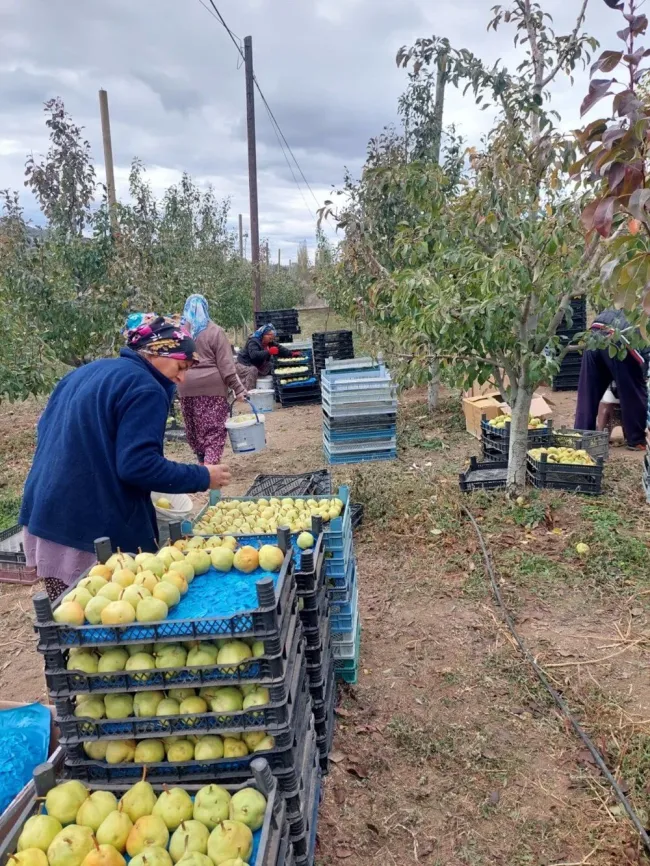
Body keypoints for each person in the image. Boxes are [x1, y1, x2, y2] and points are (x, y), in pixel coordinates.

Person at [19, 316, 231, 602]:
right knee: (113, 628)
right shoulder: (146, 387)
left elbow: (49, 431)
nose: (182, 378)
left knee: (71, 624)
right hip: (89, 533)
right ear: (157, 353)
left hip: (44, 514)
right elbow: (137, 465)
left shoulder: (84, 373)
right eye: (181, 366)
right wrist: (203, 476)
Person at [177, 294, 247, 464]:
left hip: (185, 386)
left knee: (194, 429)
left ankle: (202, 465)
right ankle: (209, 468)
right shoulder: (215, 331)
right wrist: (238, 388)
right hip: (212, 389)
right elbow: (226, 365)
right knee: (214, 430)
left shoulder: (180, 333)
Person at [575, 308, 650, 449]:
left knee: (588, 390)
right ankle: (636, 439)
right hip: (620, 337)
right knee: (633, 390)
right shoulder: (644, 320)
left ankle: (581, 435)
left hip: (595, 332)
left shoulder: (632, 303)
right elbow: (645, 359)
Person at [235, 323, 296, 390]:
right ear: (264, 335)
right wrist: (269, 352)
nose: (271, 340)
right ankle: (249, 392)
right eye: (270, 338)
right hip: (244, 364)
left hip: (256, 364)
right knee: (253, 370)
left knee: (271, 365)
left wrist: (291, 353)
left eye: (272, 339)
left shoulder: (269, 343)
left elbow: (280, 349)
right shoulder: (253, 341)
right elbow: (254, 355)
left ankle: (276, 388)